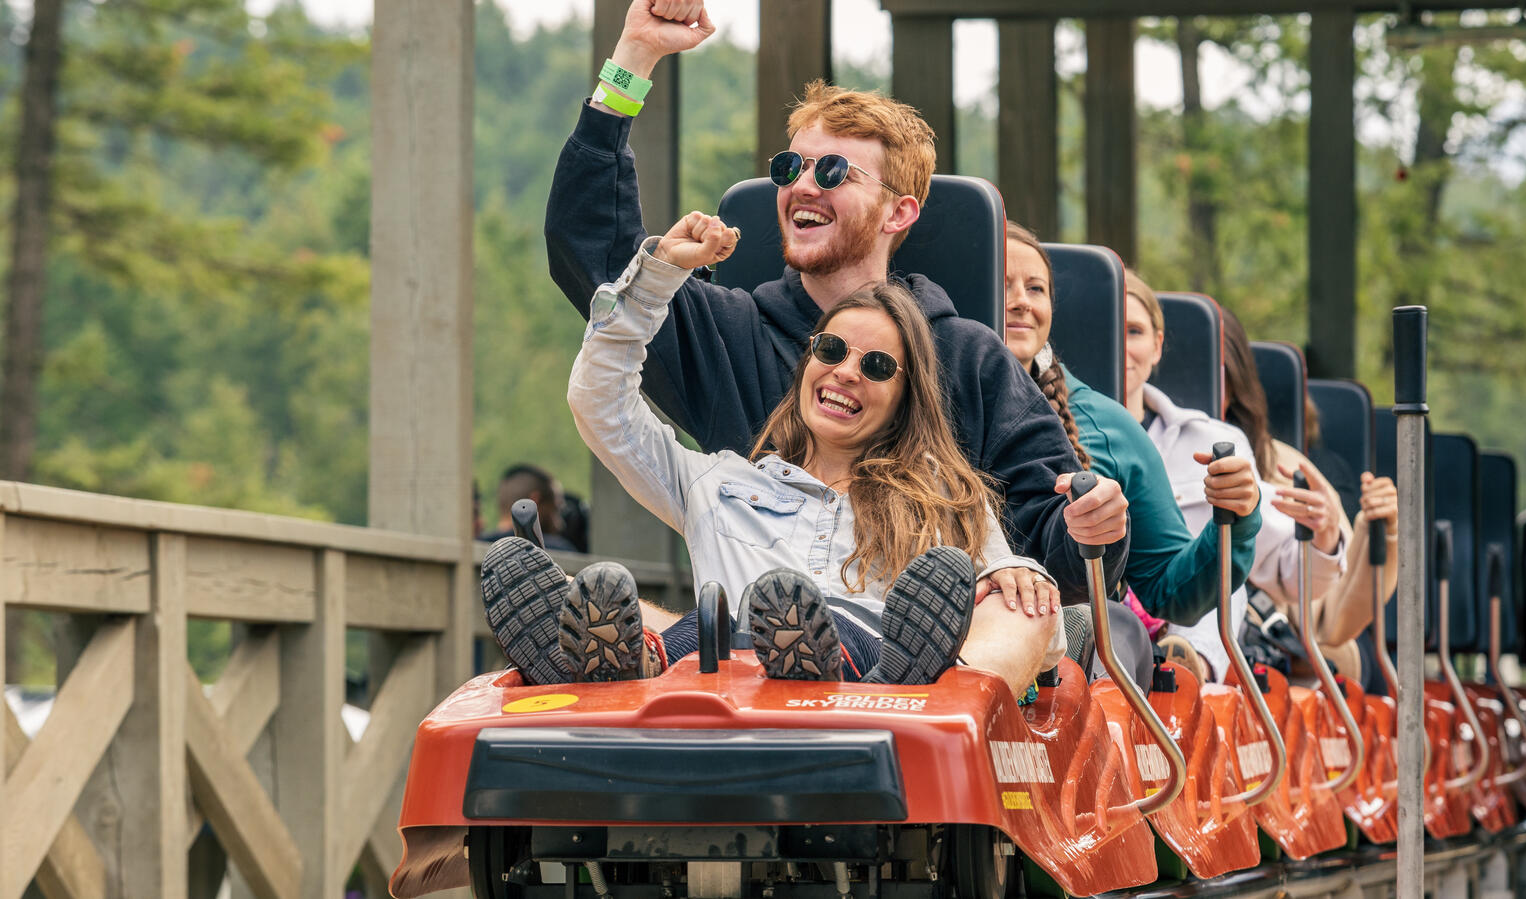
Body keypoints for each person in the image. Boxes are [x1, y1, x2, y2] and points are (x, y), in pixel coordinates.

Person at [544, 0, 1130, 613]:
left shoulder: (969, 358)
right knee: (673, 628)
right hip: (752, 643)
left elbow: (1055, 551)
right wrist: (633, 58)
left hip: (910, 667)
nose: (802, 184)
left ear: (898, 212)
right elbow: (599, 261)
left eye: (833, 172)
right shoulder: (730, 333)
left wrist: (1094, 526)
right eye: (790, 166)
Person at [484, 218, 1070, 698]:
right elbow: (600, 402)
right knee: (689, 625)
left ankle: (881, 675)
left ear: (903, 400)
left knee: (1009, 603)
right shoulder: (718, 482)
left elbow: (1011, 597)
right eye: (832, 349)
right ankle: (626, 659)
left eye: (876, 366)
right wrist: (658, 277)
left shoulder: (940, 497)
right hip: (723, 666)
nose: (845, 371)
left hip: (870, 666)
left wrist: (1009, 573)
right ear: (807, 361)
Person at [1002, 222, 1262, 656]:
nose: (1022, 303)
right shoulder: (916, 396)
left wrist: (1235, 517)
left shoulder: (1110, 426)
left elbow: (1171, 591)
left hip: (1071, 666)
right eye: (1005, 284)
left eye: (1036, 289)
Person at [1121, 270, 1347, 681]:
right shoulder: (1050, 430)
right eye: (1109, 331)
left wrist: (1324, 534)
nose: (1121, 348)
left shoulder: (1214, 441)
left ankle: (1189, 666)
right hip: (1101, 622)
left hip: (1182, 626)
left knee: (1224, 568)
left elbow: (1287, 573)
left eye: (1133, 331)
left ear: (1157, 347)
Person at [1216, 305, 1398, 683]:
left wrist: (1381, 532)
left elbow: (1330, 618)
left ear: (1235, 383)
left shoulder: (1287, 469)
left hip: (1271, 661)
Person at [479, 463, 578, 551]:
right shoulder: (560, 549)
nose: (560, 524)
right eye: (555, 510)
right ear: (532, 503)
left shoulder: (476, 547)